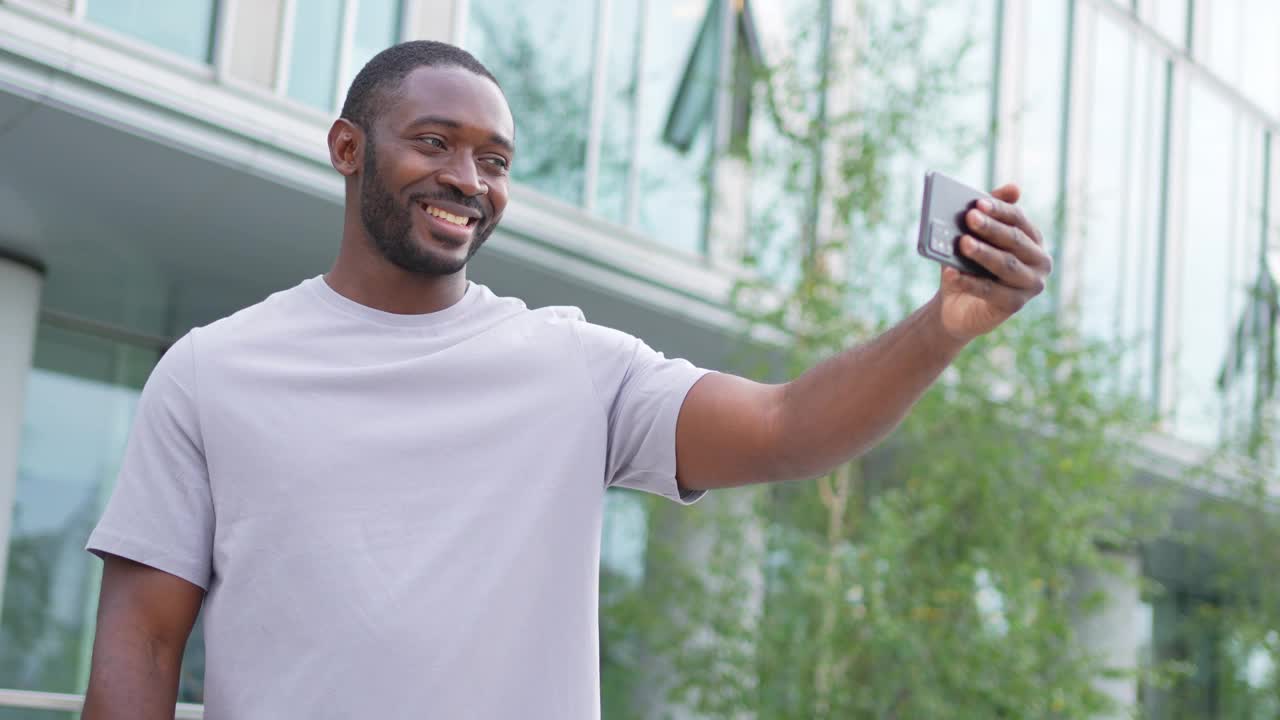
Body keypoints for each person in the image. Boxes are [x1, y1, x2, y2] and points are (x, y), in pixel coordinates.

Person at [81, 40, 1051, 719]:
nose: (468, 177)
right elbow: (143, 648)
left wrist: (940, 329)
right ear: (348, 149)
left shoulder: (572, 367)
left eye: (494, 159)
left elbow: (788, 427)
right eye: (433, 142)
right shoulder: (213, 370)